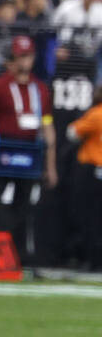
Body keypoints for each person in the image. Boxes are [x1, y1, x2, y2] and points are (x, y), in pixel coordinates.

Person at [0, 36, 57, 266]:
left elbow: (48, 127)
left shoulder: (40, 89)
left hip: (30, 153)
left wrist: (50, 165)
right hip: (3, 151)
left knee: (24, 205)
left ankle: (18, 258)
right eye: (20, 56)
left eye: (28, 56)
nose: (24, 61)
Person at [66, 87, 102, 271]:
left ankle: (91, 258)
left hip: (92, 169)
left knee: (88, 215)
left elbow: (72, 132)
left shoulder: (96, 114)